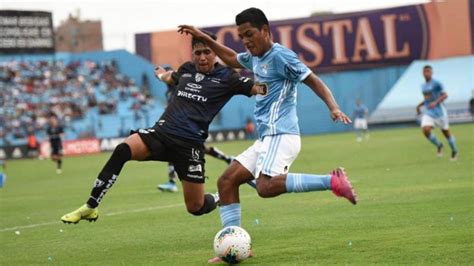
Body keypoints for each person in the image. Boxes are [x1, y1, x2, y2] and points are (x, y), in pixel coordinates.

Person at [179, 8, 357, 262]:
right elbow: (230, 58)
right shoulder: (255, 57)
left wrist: (333, 106)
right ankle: (234, 245)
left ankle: (332, 181)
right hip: (267, 138)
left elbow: (312, 79)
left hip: (281, 134)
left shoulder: (281, 56)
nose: (246, 41)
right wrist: (202, 36)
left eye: (250, 34)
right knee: (227, 182)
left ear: (265, 31)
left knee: (265, 187)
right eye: (242, 36)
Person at [60, 31, 267, 224]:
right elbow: (170, 77)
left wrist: (272, 80)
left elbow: (257, 88)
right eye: (198, 53)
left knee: (196, 207)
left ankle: (221, 196)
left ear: (215, 53)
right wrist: (161, 75)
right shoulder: (187, 69)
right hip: (161, 135)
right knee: (123, 149)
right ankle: (91, 205)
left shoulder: (228, 77)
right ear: (192, 54)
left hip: (189, 146)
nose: (202, 57)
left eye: (207, 52)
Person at [416, 65, 458, 160]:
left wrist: (435, 102)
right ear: (422, 73)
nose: (426, 73)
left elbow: (445, 95)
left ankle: (454, 151)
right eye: (425, 71)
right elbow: (427, 99)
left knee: (446, 133)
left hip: (440, 112)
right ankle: (439, 145)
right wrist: (419, 105)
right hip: (429, 112)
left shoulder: (437, 83)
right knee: (425, 129)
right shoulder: (423, 86)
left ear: (432, 73)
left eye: (428, 71)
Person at [158, 145, 234, 192]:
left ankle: (228, 159)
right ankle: (228, 159)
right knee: (174, 153)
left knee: (203, 148)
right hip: (187, 133)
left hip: (191, 134)